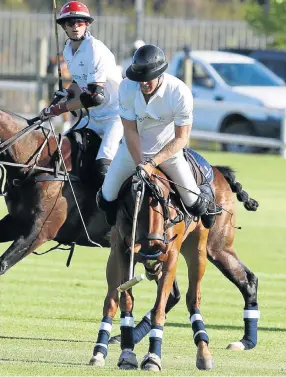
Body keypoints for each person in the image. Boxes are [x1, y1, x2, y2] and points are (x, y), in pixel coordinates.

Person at [97, 44, 221, 229]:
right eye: (140, 78)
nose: (144, 83)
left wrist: (151, 164)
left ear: (160, 73)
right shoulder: (127, 87)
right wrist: (141, 164)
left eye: (148, 78)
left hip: (168, 153)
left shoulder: (179, 92)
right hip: (131, 152)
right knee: (105, 199)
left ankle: (207, 197)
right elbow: (129, 130)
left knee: (195, 204)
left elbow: (181, 138)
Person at [39, 1, 123, 185]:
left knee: (102, 168)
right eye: (70, 23)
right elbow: (79, 80)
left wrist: (60, 109)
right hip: (93, 118)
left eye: (80, 22)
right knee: (63, 150)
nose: (75, 26)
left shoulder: (95, 49)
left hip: (116, 117)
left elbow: (94, 96)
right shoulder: (68, 50)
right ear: (63, 27)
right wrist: (66, 94)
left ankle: (118, 210)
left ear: (87, 24)